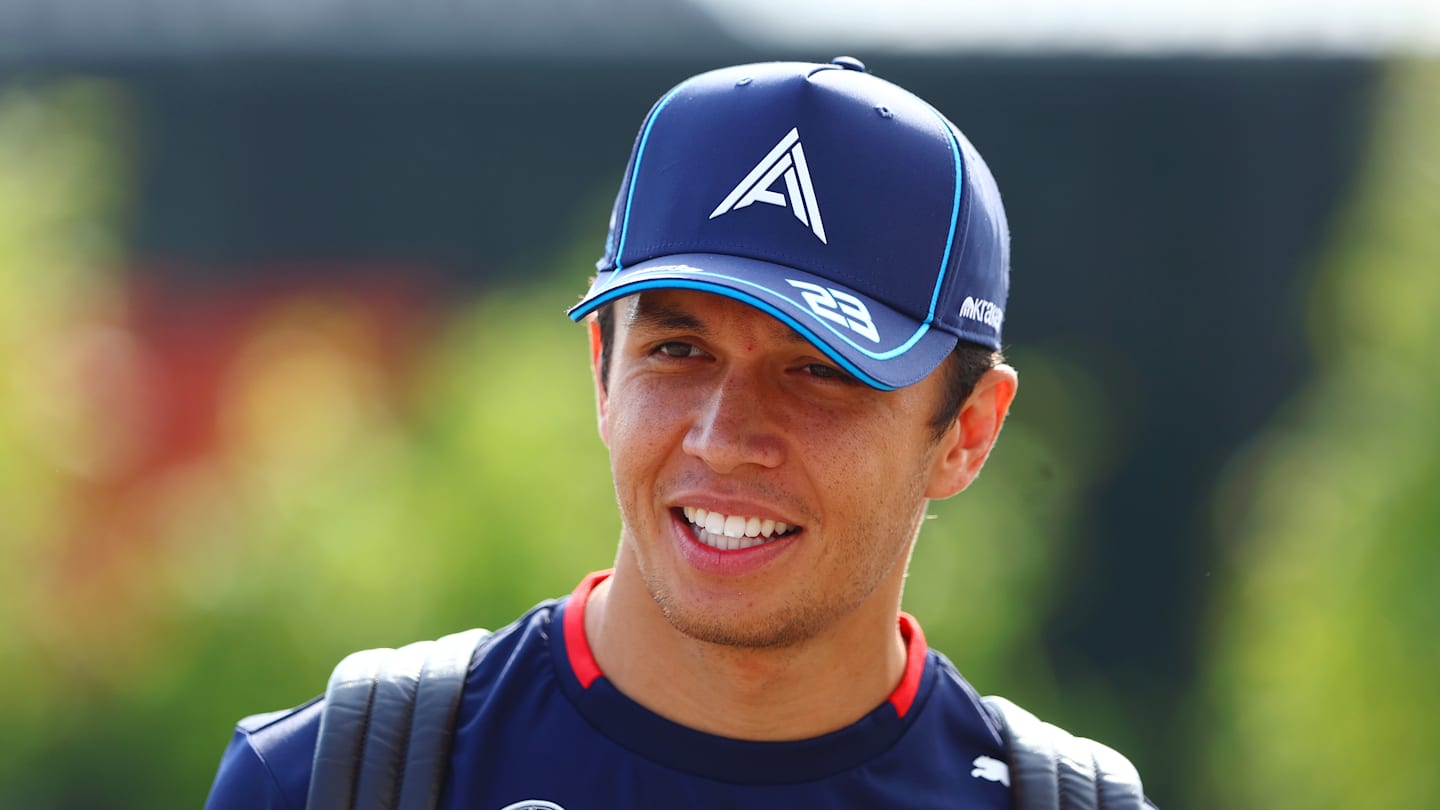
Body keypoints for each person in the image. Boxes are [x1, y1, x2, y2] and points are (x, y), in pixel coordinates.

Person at [206, 56, 1152, 809]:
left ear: (968, 432)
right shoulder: (333, 782)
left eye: (820, 370)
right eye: (678, 351)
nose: (724, 436)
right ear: (603, 374)